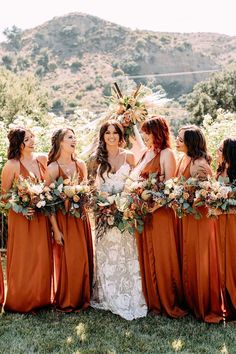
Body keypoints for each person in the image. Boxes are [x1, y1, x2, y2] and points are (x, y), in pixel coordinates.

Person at [130, 116, 186, 318]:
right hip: (145, 212)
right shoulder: (147, 152)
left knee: (163, 255)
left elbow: (170, 188)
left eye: (147, 132)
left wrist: (155, 205)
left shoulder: (167, 153)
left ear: (158, 133)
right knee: (148, 254)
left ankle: (167, 301)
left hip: (161, 213)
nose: (145, 136)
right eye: (143, 132)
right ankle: (153, 301)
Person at [91, 120, 147, 320]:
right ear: (102, 136)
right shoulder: (96, 158)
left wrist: (124, 203)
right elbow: (91, 188)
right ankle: (107, 294)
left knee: (126, 251)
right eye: (108, 133)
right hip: (103, 214)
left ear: (121, 135)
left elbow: (135, 183)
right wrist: (102, 203)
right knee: (107, 251)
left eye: (115, 132)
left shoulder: (129, 156)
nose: (111, 136)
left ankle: (129, 292)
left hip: (125, 213)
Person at [1, 127, 53, 312]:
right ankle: (21, 300)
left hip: (40, 216)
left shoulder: (42, 159)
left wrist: (43, 199)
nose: (32, 141)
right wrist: (22, 207)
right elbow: (4, 197)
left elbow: (48, 187)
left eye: (32, 137)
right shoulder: (12, 165)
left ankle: (42, 298)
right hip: (21, 218)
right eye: (27, 139)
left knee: (41, 256)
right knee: (25, 258)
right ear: (18, 143)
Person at [176, 125, 223, 323]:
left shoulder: (200, 164)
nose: (177, 141)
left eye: (180, 139)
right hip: (189, 217)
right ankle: (193, 301)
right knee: (190, 258)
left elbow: (205, 196)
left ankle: (205, 305)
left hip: (199, 219)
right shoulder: (186, 159)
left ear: (190, 142)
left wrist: (180, 197)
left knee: (201, 260)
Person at [47, 128, 93, 312]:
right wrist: (56, 230)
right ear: (60, 142)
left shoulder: (80, 164)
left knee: (83, 257)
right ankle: (69, 298)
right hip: (63, 220)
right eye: (70, 137)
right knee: (70, 259)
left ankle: (85, 296)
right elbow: (48, 203)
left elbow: (87, 192)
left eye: (75, 136)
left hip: (80, 219)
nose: (75, 140)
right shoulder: (52, 168)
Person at [215, 138, 236, 320]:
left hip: (233, 223)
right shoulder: (220, 170)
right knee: (222, 262)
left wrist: (225, 205)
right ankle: (227, 303)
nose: (217, 151)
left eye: (220, 149)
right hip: (219, 222)